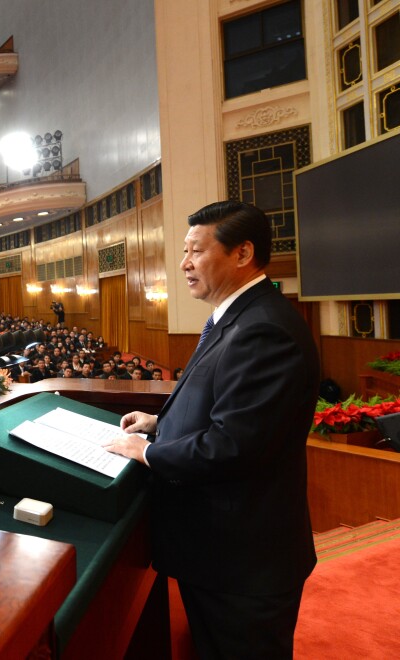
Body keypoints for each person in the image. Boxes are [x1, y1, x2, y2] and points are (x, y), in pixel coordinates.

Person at [105, 201, 320, 660]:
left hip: (244, 560)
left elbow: (233, 445)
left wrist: (146, 453)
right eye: (184, 251)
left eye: (196, 251)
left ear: (242, 254)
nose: (184, 263)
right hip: (222, 553)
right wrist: (160, 424)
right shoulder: (236, 318)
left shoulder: (264, 331)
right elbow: (231, 410)